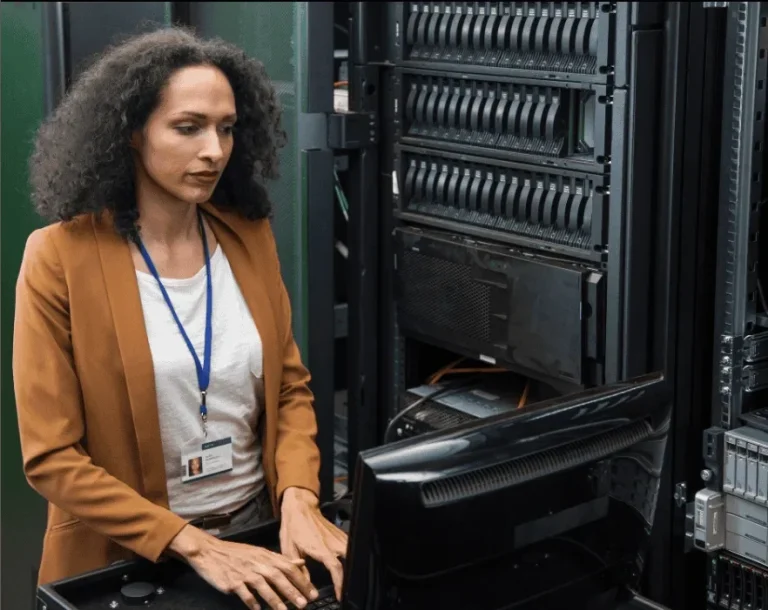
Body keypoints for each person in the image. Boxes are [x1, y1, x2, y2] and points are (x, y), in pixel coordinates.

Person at [13, 26, 347, 610]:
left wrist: (299, 496)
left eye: (226, 128)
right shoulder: (58, 257)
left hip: (260, 538)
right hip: (132, 561)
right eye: (188, 127)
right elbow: (52, 459)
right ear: (132, 132)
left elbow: (289, 389)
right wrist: (196, 545)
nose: (215, 150)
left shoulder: (248, 236)